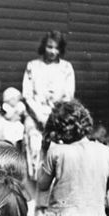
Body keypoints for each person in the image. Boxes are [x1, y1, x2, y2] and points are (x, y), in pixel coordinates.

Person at [21, 31, 74, 190]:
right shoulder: (33, 66)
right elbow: (28, 95)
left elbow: (68, 96)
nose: (52, 51)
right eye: (49, 47)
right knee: (34, 152)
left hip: (56, 117)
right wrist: (39, 116)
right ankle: (32, 198)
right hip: (35, 117)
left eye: (56, 48)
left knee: (52, 155)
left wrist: (54, 116)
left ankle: (48, 198)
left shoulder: (66, 68)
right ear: (44, 47)